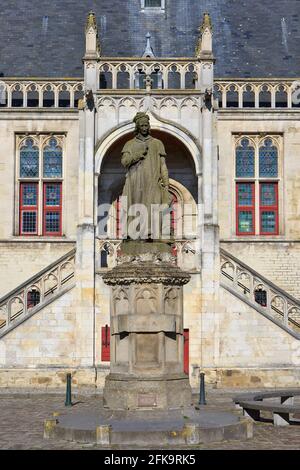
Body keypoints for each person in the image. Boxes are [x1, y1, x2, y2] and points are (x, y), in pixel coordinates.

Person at [120, 112, 172, 239]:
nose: (144, 128)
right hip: (135, 181)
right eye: (142, 126)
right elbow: (124, 162)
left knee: (155, 204)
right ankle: (135, 234)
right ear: (137, 127)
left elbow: (163, 165)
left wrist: (166, 183)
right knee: (136, 207)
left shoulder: (157, 143)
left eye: (146, 125)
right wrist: (137, 154)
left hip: (153, 180)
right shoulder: (130, 144)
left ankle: (153, 234)